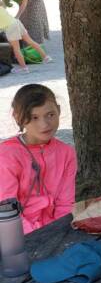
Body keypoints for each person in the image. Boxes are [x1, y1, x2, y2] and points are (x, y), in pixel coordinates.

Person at [0, 84, 76, 234]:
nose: (44, 124)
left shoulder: (66, 153)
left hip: (56, 229)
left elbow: (65, 204)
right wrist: (38, 235)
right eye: (34, 117)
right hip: (15, 234)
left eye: (50, 115)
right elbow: (7, 210)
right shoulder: (6, 155)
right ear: (18, 117)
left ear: (59, 110)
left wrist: (59, 231)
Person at [0, 5, 51, 74]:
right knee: (30, 41)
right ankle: (46, 57)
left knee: (16, 49)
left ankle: (24, 68)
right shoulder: (1, 7)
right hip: (17, 22)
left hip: (11, 27)